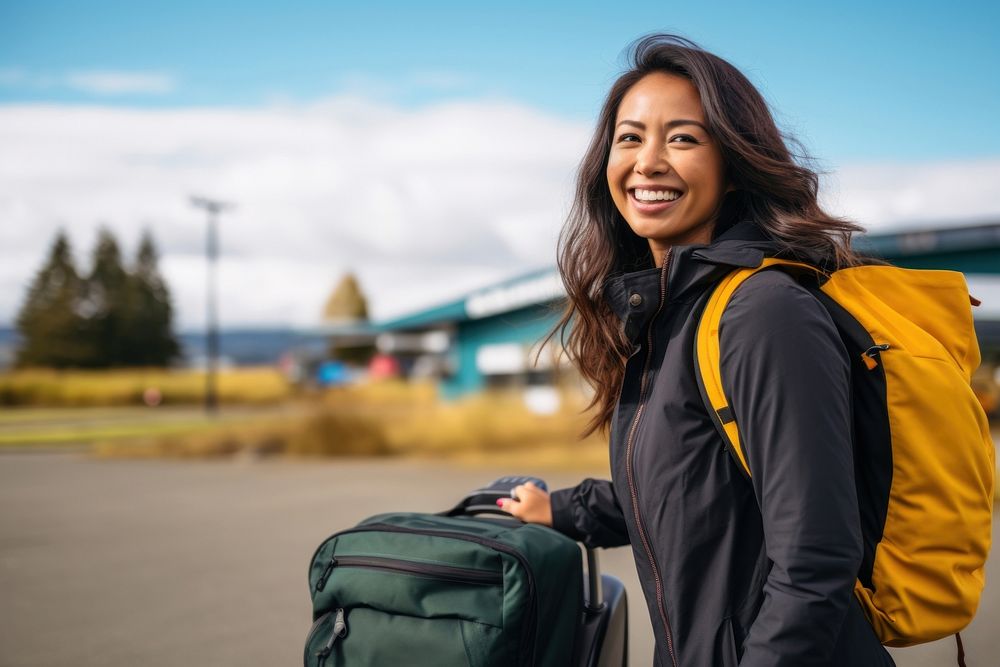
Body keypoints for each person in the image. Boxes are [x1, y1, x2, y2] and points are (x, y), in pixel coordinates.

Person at [497, 34, 896, 667]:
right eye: (630, 138)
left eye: (682, 139)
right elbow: (688, 489)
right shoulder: (669, 317)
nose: (648, 162)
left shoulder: (766, 313)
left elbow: (815, 561)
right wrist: (560, 510)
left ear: (735, 168)